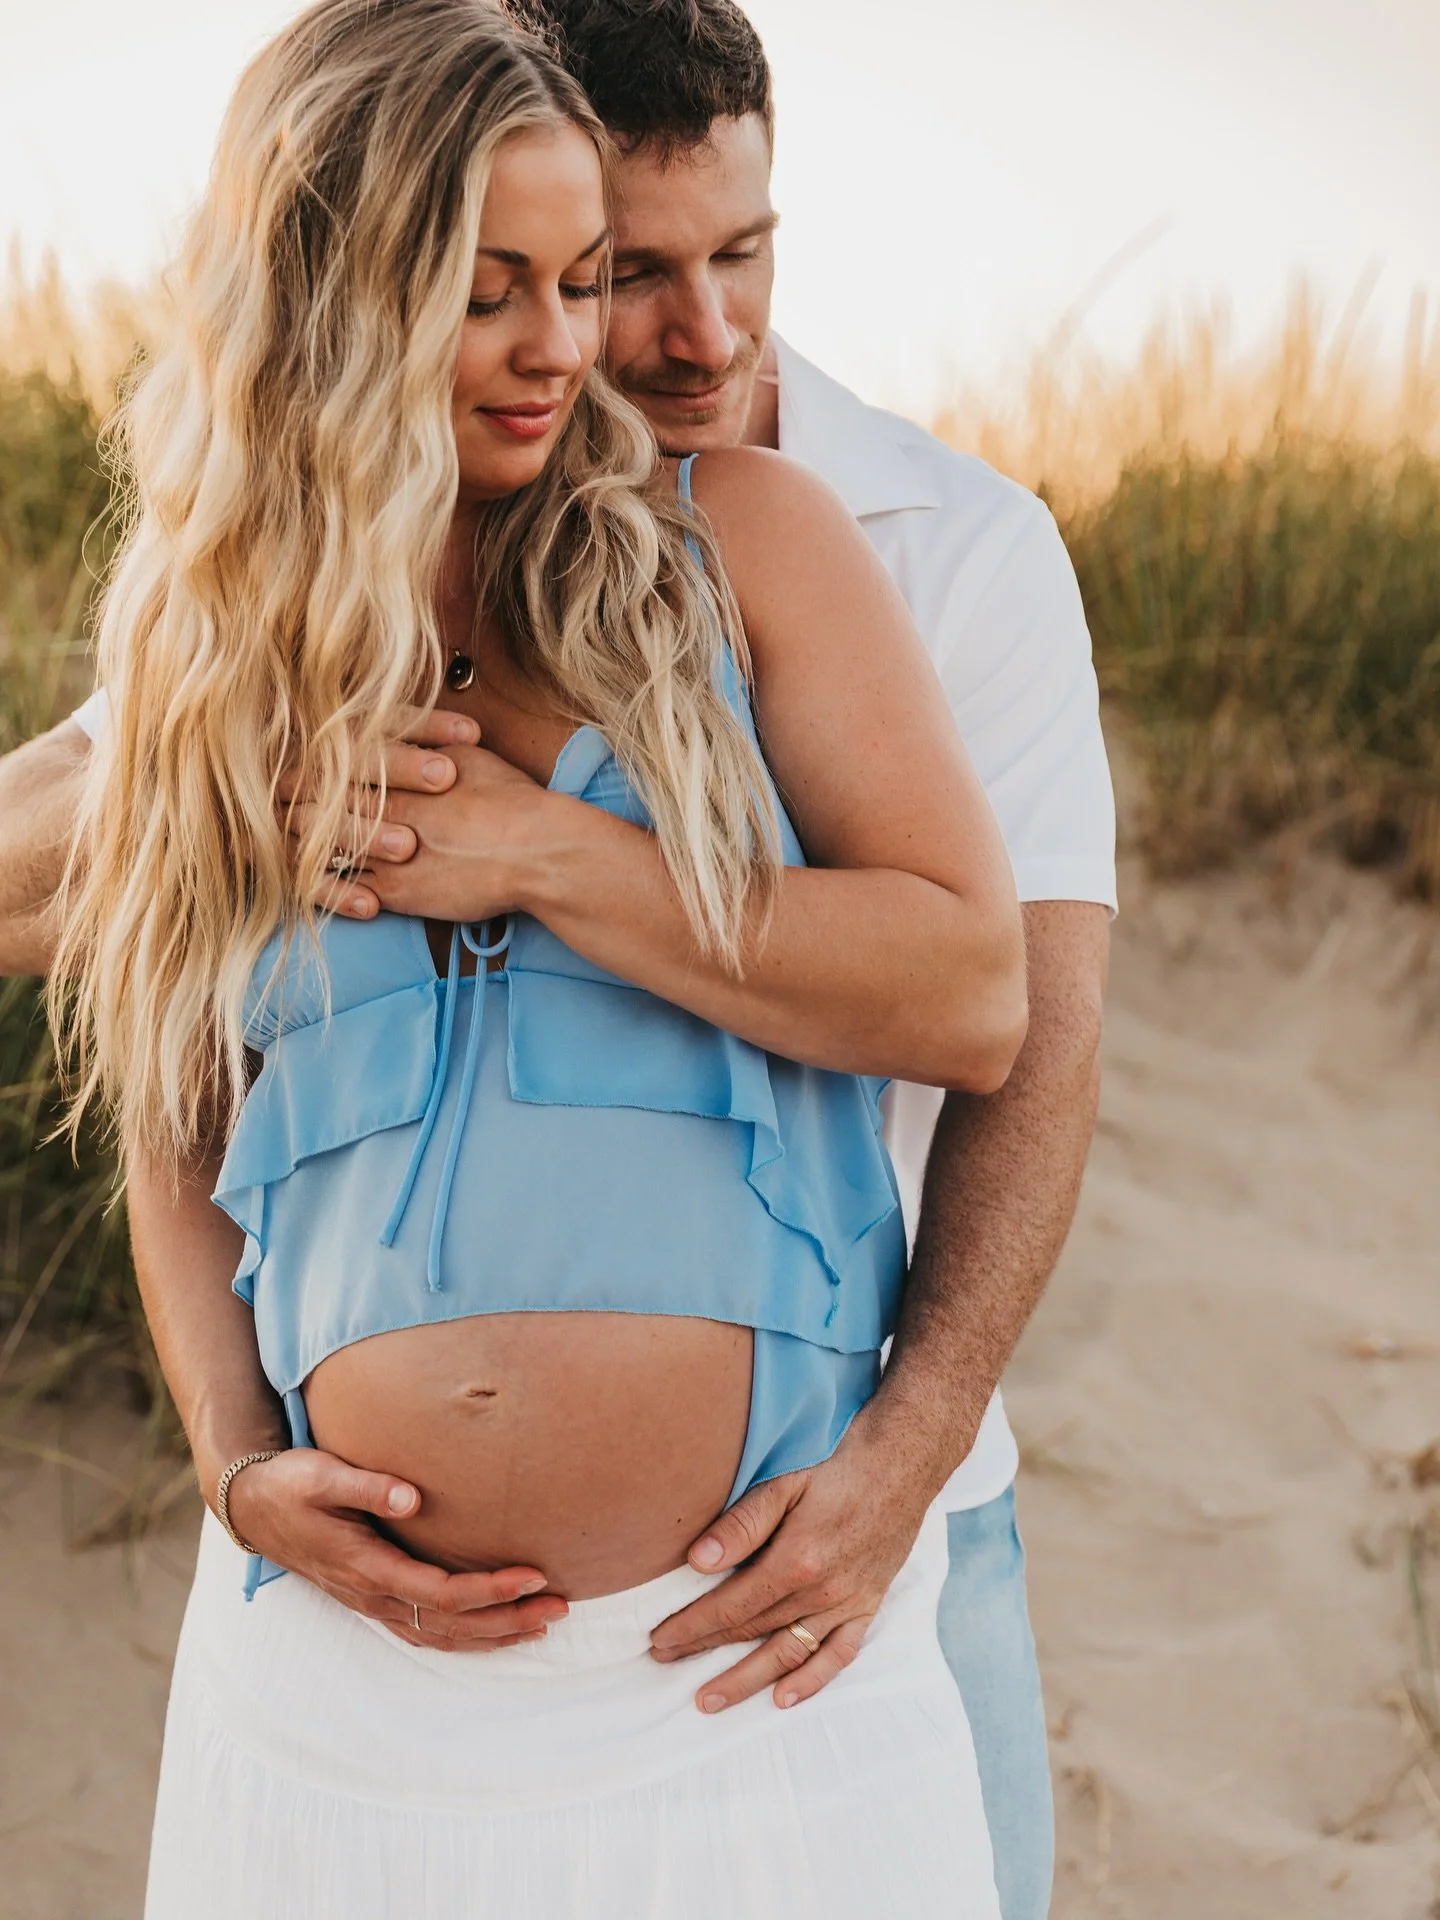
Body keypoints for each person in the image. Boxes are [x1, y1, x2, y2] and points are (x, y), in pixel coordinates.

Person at [0, 3, 1115, 1914]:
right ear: (337, 300)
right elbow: (179, 1092)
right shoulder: (224, 637)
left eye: (581, 279)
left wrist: (539, 851)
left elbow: (984, 1000)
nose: (574, 346)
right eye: (493, 288)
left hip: (749, 1662)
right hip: (342, 1701)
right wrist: (233, 1456)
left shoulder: (764, 542)